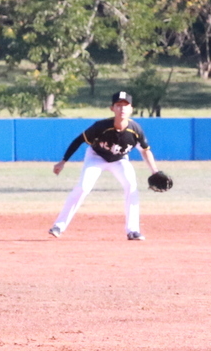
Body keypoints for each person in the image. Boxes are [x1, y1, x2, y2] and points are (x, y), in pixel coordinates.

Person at [49, 91, 160, 241]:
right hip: (96, 157)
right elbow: (79, 140)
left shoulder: (135, 130)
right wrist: (63, 161)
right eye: (118, 105)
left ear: (131, 109)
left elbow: (146, 151)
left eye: (125, 106)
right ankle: (58, 226)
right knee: (83, 187)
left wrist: (155, 171)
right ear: (112, 108)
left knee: (131, 186)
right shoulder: (101, 126)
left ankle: (133, 230)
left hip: (120, 160)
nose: (122, 109)